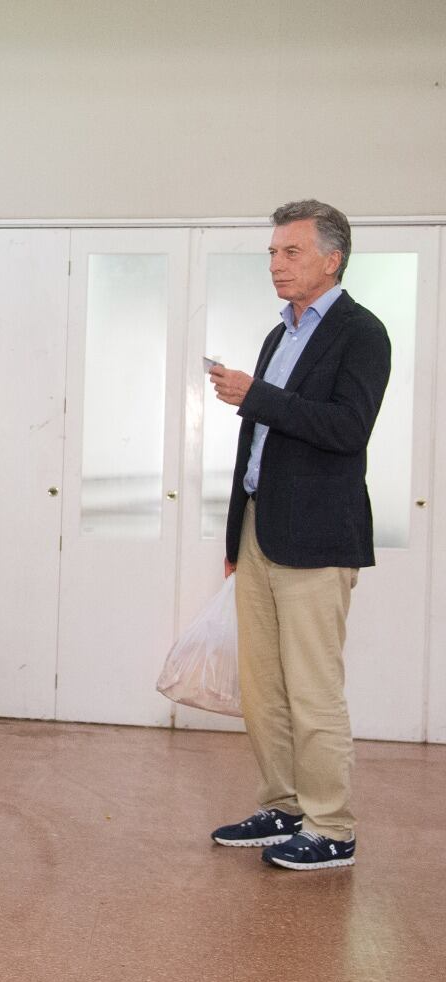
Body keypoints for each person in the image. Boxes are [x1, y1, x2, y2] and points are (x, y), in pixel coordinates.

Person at [208, 200, 390, 871]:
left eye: (291, 253)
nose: (277, 265)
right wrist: (235, 536)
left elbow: (347, 429)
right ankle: (283, 805)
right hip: (260, 528)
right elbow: (258, 442)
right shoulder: (277, 334)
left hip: (317, 535)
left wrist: (257, 395)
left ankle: (332, 826)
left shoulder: (361, 333)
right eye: (273, 254)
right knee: (263, 687)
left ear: (331, 259)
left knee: (313, 688)